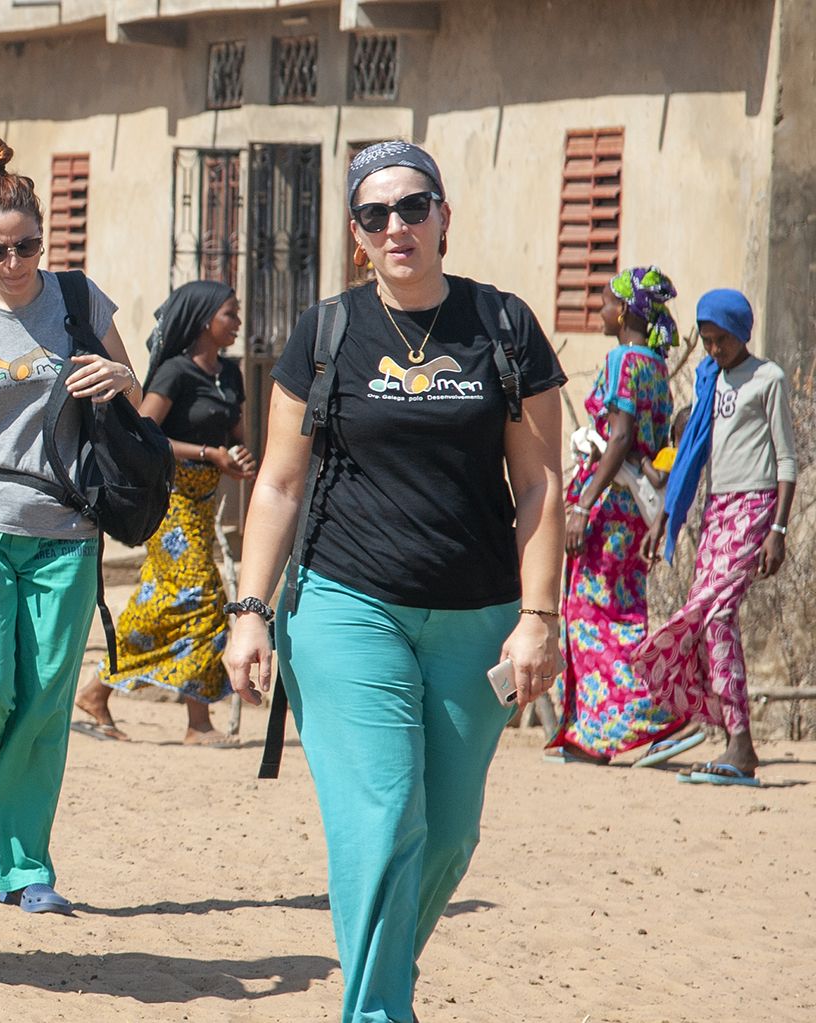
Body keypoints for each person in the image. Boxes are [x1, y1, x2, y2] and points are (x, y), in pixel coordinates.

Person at [222, 140, 566, 1022]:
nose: (397, 226)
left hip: (477, 614)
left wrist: (538, 616)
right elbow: (279, 482)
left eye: (414, 207)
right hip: (345, 605)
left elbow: (538, 482)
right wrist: (251, 611)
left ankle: (381, 978)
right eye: (376, 215)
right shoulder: (327, 331)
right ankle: (376, 1011)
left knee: (447, 831)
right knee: (383, 817)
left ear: (445, 216)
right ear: (356, 234)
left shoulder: (504, 326)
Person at [0, 139, 146, 916]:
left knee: (44, 704)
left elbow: (135, 394)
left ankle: (23, 865)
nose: (14, 261)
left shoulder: (79, 301)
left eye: (27, 245)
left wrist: (120, 377)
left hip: (66, 529)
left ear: (44, 236)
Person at [74, 280, 255, 744]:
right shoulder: (175, 373)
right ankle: (197, 722)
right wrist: (206, 453)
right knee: (201, 594)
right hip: (170, 503)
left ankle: (98, 689)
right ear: (203, 320)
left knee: (167, 599)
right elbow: (145, 433)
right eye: (230, 314)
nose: (237, 322)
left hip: (205, 503)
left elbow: (236, 434)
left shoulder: (229, 375)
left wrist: (236, 457)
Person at [636, 288, 799, 785]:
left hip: (755, 508)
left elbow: (787, 458)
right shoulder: (713, 380)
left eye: (720, 340)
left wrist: (779, 529)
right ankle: (730, 735)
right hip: (718, 510)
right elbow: (692, 456)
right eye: (706, 341)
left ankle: (740, 742)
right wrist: (667, 516)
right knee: (706, 621)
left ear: (741, 333)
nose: (712, 350)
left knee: (718, 613)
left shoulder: (767, 378)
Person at [546, 267, 690, 766]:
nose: (600, 310)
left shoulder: (625, 360)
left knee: (592, 617)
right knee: (621, 613)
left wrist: (583, 504)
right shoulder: (654, 363)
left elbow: (623, 436)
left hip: (609, 512)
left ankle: (657, 719)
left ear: (626, 311)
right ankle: (595, 734)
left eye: (606, 302)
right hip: (635, 513)